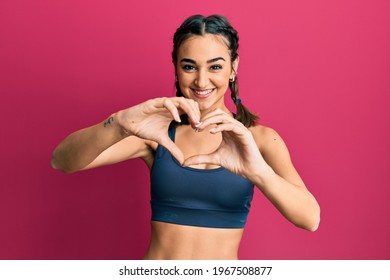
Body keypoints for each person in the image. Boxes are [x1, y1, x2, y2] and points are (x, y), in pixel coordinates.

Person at [51, 14, 320, 260]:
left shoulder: (258, 140)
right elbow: (62, 160)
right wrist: (120, 122)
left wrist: (259, 172)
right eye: (189, 67)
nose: (202, 82)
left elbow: (310, 218)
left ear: (233, 66)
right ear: (176, 68)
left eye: (215, 67)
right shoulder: (157, 133)